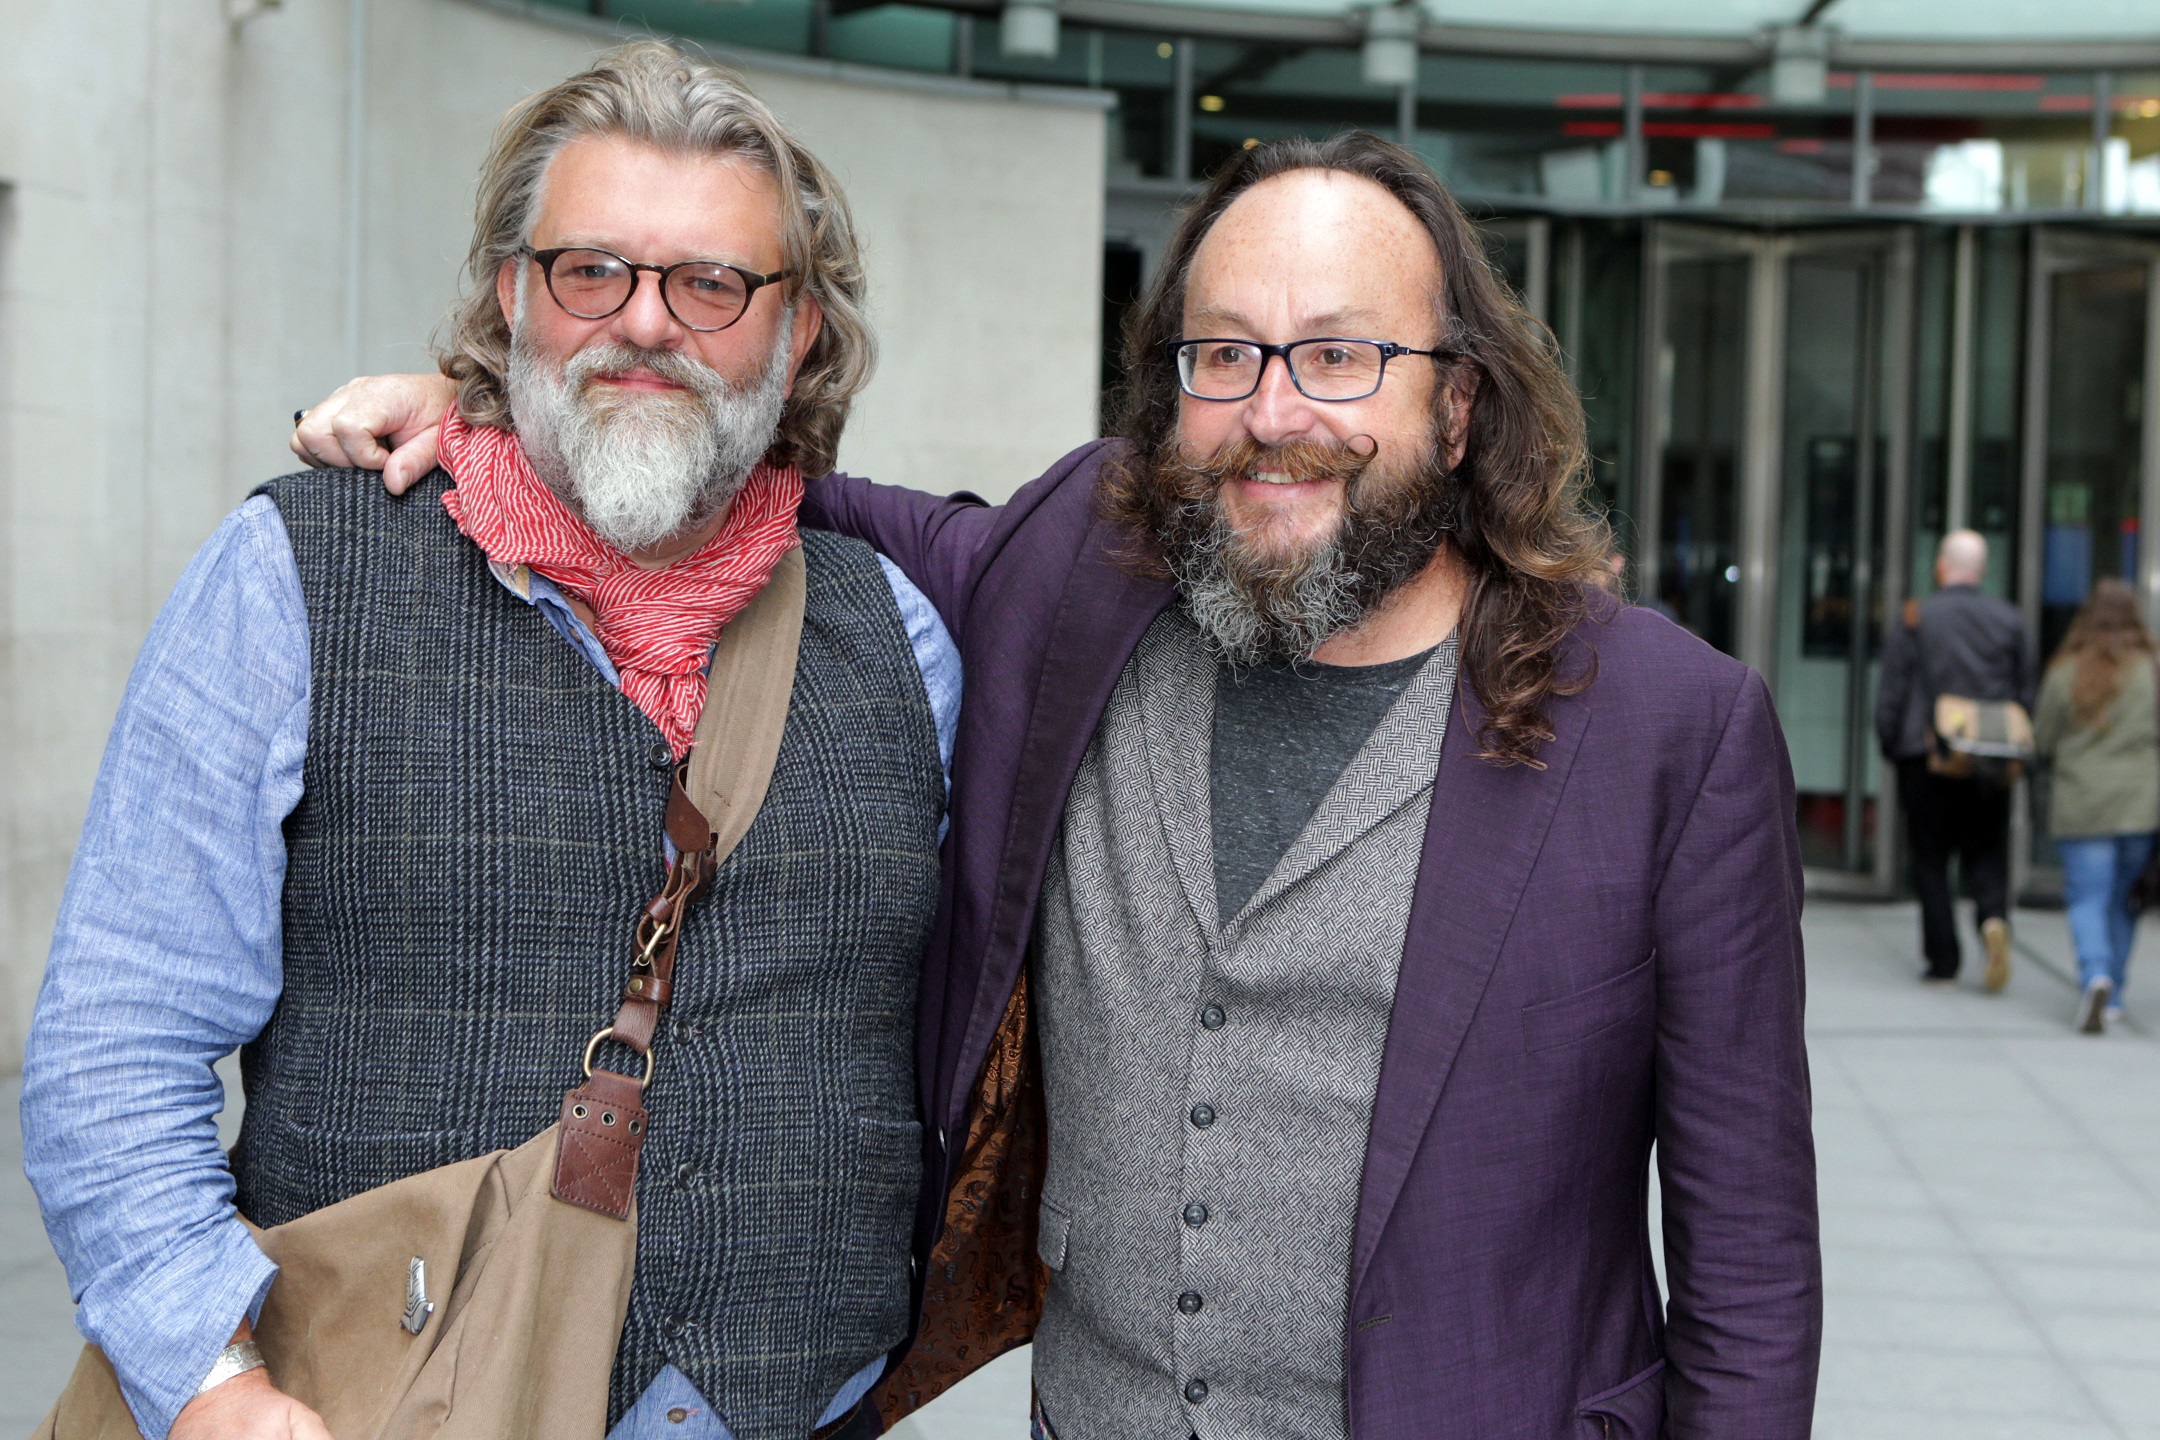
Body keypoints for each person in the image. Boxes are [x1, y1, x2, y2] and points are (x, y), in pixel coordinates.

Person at [303, 132, 1821, 1437]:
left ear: (1463, 404)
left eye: (1340, 355)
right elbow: (773, 486)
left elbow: (1748, 1263)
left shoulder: (1671, 734)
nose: (1274, 412)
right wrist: (521, 414)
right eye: (1224, 354)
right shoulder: (1077, 577)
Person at [22, 44, 960, 1440]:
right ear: (514, 294)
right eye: (591, 272)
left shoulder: (906, 637)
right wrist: (210, 1383)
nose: (644, 323)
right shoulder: (293, 577)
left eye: (711, 284)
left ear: (800, 331)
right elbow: (118, 1036)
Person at [1876, 530, 2036, 989]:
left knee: (1930, 859)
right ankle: (1992, 916)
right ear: (1981, 570)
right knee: (1986, 849)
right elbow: (2026, 691)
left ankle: (1943, 960)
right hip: (1989, 754)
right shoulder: (2009, 620)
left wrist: (1890, 741)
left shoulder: (1917, 616)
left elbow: (1893, 687)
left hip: (1925, 753)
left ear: (1941, 566)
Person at [2034, 578, 2158, 1034]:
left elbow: (2042, 737)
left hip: (2082, 801)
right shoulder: (2152, 669)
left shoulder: (2066, 670)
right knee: (2124, 902)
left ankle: (2095, 975)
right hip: (2139, 805)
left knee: (2087, 897)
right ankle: (2115, 995)